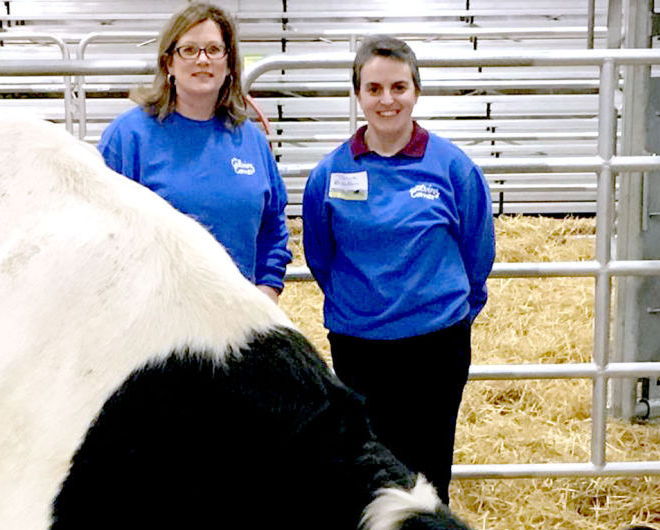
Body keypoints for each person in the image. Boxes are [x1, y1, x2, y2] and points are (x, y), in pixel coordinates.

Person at [301, 37, 494, 502]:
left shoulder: (452, 169)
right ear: (358, 94)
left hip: (435, 345)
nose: (387, 100)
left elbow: (478, 252)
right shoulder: (328, 174)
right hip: (358, 347)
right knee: (366, 473)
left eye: (398, 87)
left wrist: (448, 309)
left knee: (429, 474)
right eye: (374, 88)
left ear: (416, 91)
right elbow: (320, 255)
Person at [97, 4, 288, 301]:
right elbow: (100, 230)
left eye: (214, 49)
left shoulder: (252, 140)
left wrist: (267, 288)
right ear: (168, 64)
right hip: (154, 321)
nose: (203, 60)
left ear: (229, 64)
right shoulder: (127, 138)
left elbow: (273, 226)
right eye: (189, 50)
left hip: (238, 319)